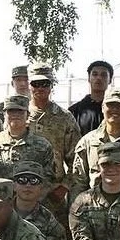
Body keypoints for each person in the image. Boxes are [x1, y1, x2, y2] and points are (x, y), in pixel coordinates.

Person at [25, 65, 81, 219]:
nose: (40, 88)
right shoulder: (18, 114)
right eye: (35, 84)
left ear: (51, 85)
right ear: (29, 85)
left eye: (45, 84)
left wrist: (64, 187)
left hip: (53, 195)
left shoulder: (64, 117)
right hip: (22, 191)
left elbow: (77, 159)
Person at [10, 161, 71, 240]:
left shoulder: (51, 225)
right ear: (14, 185)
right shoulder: (1, 215)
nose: (28, 185)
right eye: (22, 180)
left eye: (34, 181)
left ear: (41, 187)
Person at [0, 95, 55, 182]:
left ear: (28, 115)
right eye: (11, 111)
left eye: (20, 111)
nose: (15, 115)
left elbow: (48, 180)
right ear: (4, 114)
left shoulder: (43, 146)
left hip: (29, 190)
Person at [69, 60, 112, 135]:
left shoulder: (115, 110)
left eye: (103, 75)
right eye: (95, 74)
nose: (99, 78)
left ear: (110, 80)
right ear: (89, 78)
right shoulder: (74, 111)